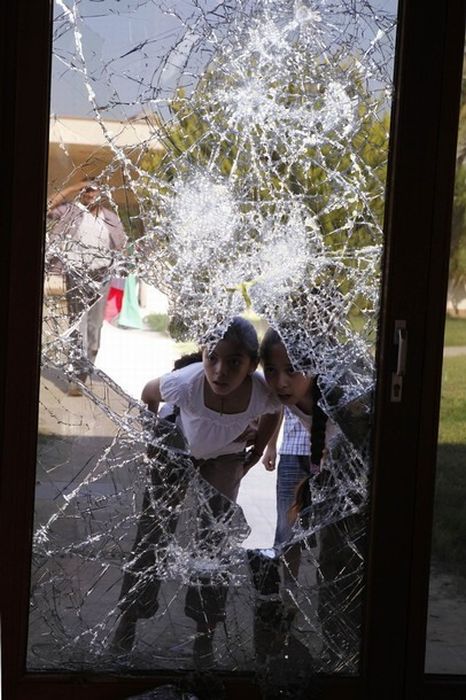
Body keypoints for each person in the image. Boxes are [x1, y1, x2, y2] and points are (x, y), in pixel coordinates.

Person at [112, 317, 281, 667]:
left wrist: (258, 450)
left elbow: (274, 410)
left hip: (225, 457)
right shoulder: (186, 385)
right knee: (152, 534)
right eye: (212, 358)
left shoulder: (260, 392)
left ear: (251, 366)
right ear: (202, 355)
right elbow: (147, 393)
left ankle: (204, 636)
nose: (220, 371)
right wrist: (154, 439)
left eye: (234, 362)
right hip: (178, 448)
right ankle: (127, 620)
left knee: (213, 542)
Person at [259, 327, 368, 672]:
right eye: (272, 371)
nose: (281, 382)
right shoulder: (288, 397)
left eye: (292, 370)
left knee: (341, 565)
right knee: (331, 564)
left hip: (360, 481)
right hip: (339, 466)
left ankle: (347, 657)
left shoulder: (344, 402)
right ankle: (339, 654)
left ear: (315, 367)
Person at [47, 177, 127, 395]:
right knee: (77, 326)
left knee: (94, 330)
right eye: (87, 191)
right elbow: (48, 205)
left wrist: (122, 269)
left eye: (94, 191)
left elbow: (121, 246)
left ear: (102, 193)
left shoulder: (110, 218)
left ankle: (85, 369)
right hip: (76, 275)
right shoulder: (72, 212)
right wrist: (74, 186)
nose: (90, 195)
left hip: (101, 277)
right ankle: (76, 377)